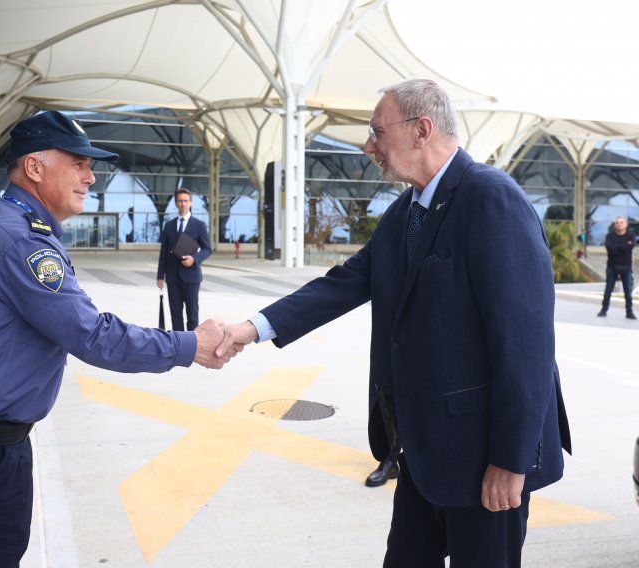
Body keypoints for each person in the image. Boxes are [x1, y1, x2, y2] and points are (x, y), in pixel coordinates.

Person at [218, 78, 571, 567]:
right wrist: (251, 328)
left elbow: (526, 345)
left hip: (484, 458)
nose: (369, 146)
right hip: (426, 453)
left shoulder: (491, 199)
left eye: (377, 132)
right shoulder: (409, 210)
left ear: (421, 129)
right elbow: (345, 283)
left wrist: (511, 461)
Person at [0, 110, 237, 568]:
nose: (90, 177)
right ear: (35, 168)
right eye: (78, 163)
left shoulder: (9, 228)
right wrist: (189, 345)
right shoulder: (21, 242)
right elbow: (93, 336)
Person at [156, 188, 212, 330]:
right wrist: (160, 276)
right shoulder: (169, 226)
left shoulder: (199, 225)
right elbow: (163, 253)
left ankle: (193, 346)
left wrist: (194, 259)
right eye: (180, 201)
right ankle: (179, 346)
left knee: (192, 315)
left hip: (192, 277)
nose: (183, 204)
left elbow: (207, 249)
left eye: (186, 201)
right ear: (176, 203)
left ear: (191, 203)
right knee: (175, 315)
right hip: (172, 277)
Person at [597, 216, 635, 319]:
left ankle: (629, 312)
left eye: (621, 222)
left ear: (626, 225)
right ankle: (603, 310)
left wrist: (616, 247)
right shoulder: (609, 236)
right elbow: (610, 248)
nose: (619, 224)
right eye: (617, 222)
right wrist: (624, 247)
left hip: (626, 268)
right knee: (608, 290)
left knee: (628, 291)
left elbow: (630, 247)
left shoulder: (631, 236)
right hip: (612, 267)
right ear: (615, 225)